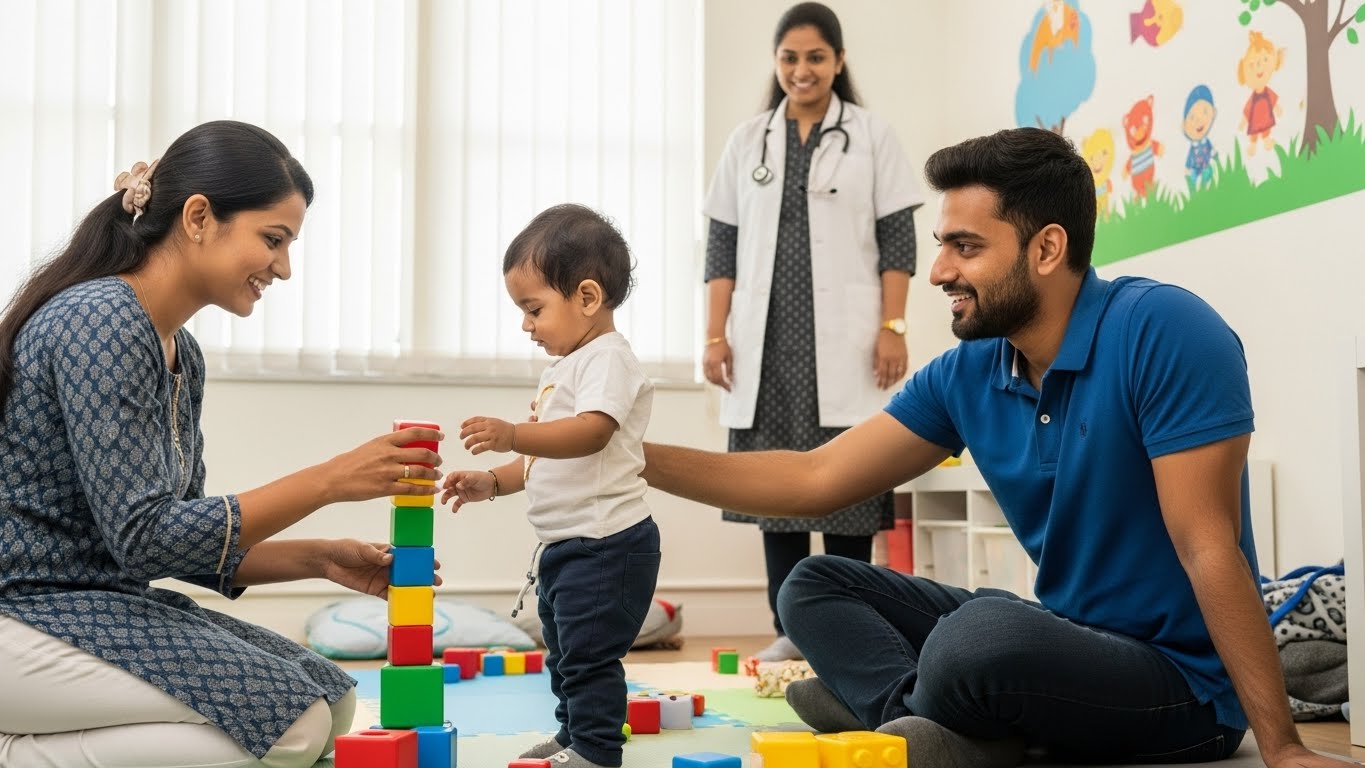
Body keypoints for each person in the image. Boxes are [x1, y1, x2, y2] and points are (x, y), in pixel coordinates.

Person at [644, 127, 1354, 768]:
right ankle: (920, 723)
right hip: (1062, 641)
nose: (938, 274)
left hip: (1179, 688)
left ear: (1046, 248)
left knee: (982, 636)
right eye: (941, 247)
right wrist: (630, 456)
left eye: (965, 247)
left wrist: (1281, 746)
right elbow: (814, 478)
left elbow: (1208, 545)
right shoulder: (969, 371)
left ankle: (908, 715)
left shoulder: (1164, 330)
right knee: (817, 584)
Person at [0, 120, 445, 768]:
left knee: (332, 701)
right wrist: (330, 480)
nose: (285, 268)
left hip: (92, 608)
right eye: (273, 239)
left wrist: (320, 558)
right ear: (200, 217)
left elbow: (180, 541)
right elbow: (145, 537)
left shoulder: (182, 353)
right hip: (27, 615)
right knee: (293, 727)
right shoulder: (101, 318)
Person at [701, 1, 923, 662]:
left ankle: (846, 625)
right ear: (777, 63)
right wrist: (715, 334)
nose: (802, 70)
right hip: (765, 346)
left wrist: (892, 325)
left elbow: (897, 240)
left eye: (815, 57)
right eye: (790, 58)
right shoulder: (748, 141)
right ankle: (789, 628)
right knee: (774, 488)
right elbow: (721, 245)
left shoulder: (872, 135)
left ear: (838, 61)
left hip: (847, 341)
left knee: (848, 483)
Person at [439, 204, 658, 768]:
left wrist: (514, 433)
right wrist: (493, 480)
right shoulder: (565, 366)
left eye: (533, 309)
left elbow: (590, 435)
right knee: (563, 653)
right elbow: (543, 459)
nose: (525, 325)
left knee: (588, 657)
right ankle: (573, 734)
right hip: (569, 545)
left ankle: (596, 749)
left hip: (608, 544)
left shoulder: (608, 360)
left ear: (587, 297)